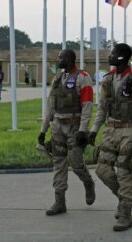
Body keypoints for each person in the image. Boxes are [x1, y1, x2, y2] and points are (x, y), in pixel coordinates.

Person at [88, 43, 132, 232]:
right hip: (111, 130)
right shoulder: (108, 80)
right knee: (102, 170)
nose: (110, 56)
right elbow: (101, 109)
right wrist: (93, 130)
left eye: (113, 54)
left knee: (124, 172)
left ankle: (125, 215)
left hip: (130, 131)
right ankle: (126, 198)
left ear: (122, 58)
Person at [37, 49, 95, 216]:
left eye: (60, 57)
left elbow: (87, 105)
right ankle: (59, 202)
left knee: (76, 164)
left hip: (74, 128)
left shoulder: (83, 78)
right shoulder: (57, 79)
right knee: (59, 163)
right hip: (57, 127)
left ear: (69, 59)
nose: (58, 59)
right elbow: (50, 106)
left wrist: (83, 130)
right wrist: (43, 130)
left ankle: (88, 182)